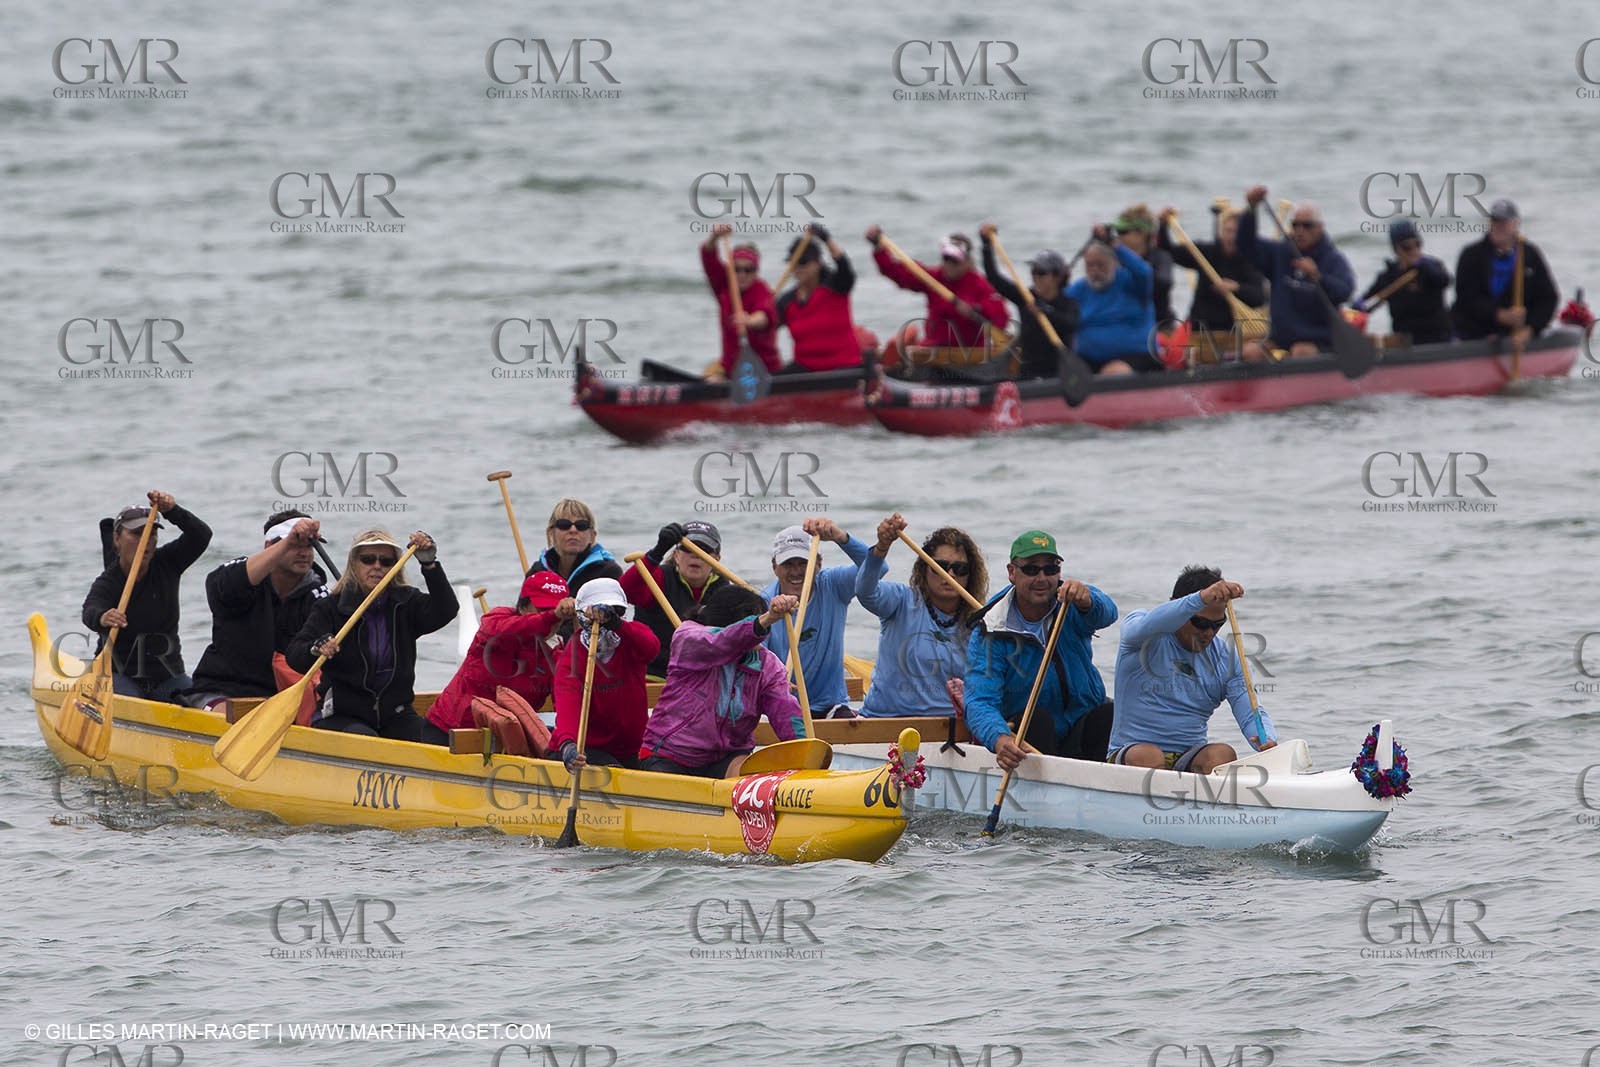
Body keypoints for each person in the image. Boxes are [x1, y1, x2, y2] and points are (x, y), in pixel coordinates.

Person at [964, 530, 1118, 770]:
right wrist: (999, 739)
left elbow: (1108, 613)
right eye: (1031, 569)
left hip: (1080, 721)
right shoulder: (990, 631)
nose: (1042, 578)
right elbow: (979, 701)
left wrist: (1088, 600)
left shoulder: (1071, 604)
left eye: (1051, 569)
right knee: (1037, 721)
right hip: (1031, 736)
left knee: (1109, 713)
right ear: (1011, 572)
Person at [287, 529, 458, 742]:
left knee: (439, 740)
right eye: (368, 560)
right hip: (342, 716)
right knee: (365, 739)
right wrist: (317, 647)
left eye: (386, 561)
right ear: (354, 564)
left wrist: (429, 565)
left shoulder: (405, 603)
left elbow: (447, 610)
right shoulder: (331, 607)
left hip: (396, 715)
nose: (377, 566)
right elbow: (294, 656)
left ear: (394, 568)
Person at [1108, 566, 1277, 773]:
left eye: (1217, 625)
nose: (1208, 633)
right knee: (1148, 756)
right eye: (1200, 623)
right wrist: (1200, 598)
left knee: (1222, 755)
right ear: (1179, 609)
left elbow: (1251, 714)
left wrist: (1267, 741)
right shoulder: (1142, 636)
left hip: (1188, 755)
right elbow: (1144, 626)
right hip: (1132, 753)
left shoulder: (1229, 659)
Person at [637, 585, 804, 777]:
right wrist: (765, 620)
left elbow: (786, 714)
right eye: (757, 620)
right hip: (670, 756)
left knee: (746, 771)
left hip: (728, 757)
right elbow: (723, 640)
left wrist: (804, 754)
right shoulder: (689, 639)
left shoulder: (769, 666)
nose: (764, 631)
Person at [185, 511, 330, 714]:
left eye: (309, 545)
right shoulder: (235, 577)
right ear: (269, 547)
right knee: (236, 717)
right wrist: (288, 541)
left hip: (283, 697)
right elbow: (220, 586)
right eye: (295, 545)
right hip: (221, 690)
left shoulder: (318, 597)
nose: (304, 553)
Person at [81, 491, 213, 701]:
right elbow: (90, 609)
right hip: (118, 674)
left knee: (200, 700)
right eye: (136, 534)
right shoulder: (110, 580)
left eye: (151, 534)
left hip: (168, 677)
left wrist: (173, 511)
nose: (146, 541)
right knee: (132, 700)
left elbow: (201, 536)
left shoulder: (168, 563)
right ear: (117, 539)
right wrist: (103, 617)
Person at [855, 514, 987, 718]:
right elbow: (866, 592)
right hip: (886, 722)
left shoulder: (980, 620)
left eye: (960, 569)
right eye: (940, 567)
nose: (950, 575)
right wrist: (882, 547)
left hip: (950, 730)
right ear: (924, 569)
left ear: (970, 575)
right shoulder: (900, 601)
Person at [762, 518, 882, 719]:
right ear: (775, 566)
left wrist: (841, 538)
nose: (796, 572)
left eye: (803, 563)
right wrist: (774, 681)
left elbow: (878, 569)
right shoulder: (764, 603)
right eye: (787, 564)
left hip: (831, 707)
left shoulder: (834, 585)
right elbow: (755, 657)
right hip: (781, 706)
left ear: (818, 564)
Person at [427, 570, 569, 735]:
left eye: (557, 611)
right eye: (543, 609)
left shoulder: (557, 656)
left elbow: (566, 706)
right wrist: (552, 616)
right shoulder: (496, 621)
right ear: (522, 607)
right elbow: (511, 630)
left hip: (505, 740)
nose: (552, 618)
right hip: (449, 731)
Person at [550, 578, 660, 772]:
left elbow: (651, 648)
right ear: (582, 616)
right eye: (595, 615)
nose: (602, 622)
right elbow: (568, 705)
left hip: (635, 746)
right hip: (590, 749)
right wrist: (568, 745)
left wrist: (617, 625)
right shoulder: (573, 658)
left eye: (613, 612)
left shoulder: (630, 639)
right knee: (615, 771)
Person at [1237, 188, 1358, 359]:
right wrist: (1251, 209)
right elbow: (1246, 245)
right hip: (1281, 338)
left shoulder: (1332, 259)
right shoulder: (1281, 253)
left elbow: (1346, 291)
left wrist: (1318, 277)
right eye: (1295, 225)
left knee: (1300, 351)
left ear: (1320, 227)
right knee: (1250, 352)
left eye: (1307, 225)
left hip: (1320, 339)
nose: (1300, 231)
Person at [867, 227, 1008, 357]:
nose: (949, 265)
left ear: (967, 261)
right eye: (946, 258)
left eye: (955, 260)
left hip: (968, 354)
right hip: (934, 349)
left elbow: (1002, 318)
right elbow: (898, 273)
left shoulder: (980, 284)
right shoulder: (934, 278)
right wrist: (879, 248)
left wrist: (976, 309)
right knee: (898, 343)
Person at [619, 520, 724, 677]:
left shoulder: (725, 589)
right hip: (652, 674)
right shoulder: (658, 577)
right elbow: (623, 593)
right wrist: (657, 552)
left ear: (716, 559)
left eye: (704, 549)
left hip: (700, 678)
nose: (695, 555)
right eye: (688, 549)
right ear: (676, 555)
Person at [978, 222, 1080, 379]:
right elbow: (994, 277)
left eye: (1041, 273)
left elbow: (1071, 324)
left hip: (1057, 374)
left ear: (1058, 277)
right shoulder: (1026, 298)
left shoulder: (1068, 303)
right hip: (1028, 373)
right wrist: (986, 245)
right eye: (1033, 272)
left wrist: (1045, 310)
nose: (1035, 277)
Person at [1451, 198, 1558, 343]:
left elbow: (1548, 298)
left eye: (1504, 222)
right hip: (1473, 334)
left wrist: (1531, 329)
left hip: (1515, 336)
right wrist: (1498, 315)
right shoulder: (1471, 255)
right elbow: (1466, 298)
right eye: (1495, 221)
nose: (1498, 226)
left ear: (1516, 224)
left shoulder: (1530, 255)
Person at [1156, 205, 1266, 332]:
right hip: (1199, 326)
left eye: (1236, 232)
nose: (1231, 237)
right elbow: (1166, 251)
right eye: (1228, 231)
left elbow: (1259, 297)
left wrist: (1235, 288)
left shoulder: (1251, 260)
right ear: (1222, 232)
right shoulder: (1206, 252)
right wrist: (1163, 226)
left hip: (1233, 330)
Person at [775, 224, 865, 373]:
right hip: (805, 369)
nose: (798, 267)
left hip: (844, 366)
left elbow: (844, 267)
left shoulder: (837, 285)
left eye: (803, 262)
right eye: (793, 263)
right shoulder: (787, 301)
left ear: (818, 263)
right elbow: (767, 325)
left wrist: (826, 239)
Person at [1065, 236, 1159, 374]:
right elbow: (1057, 305)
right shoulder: (1079, 289)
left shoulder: (1133, 284)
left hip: (1136, 355)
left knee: (1114, 372)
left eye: (1100, 265)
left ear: (1114, 262)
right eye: (1090, 265)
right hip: (1089, 358)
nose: (1095, 271)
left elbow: (1144, 271)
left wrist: (1116, 246)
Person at [1354, 220, 1453, 345]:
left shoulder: (1432, 267)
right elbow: (1368, 301)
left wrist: (1426, 268)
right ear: (1396, 250)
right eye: (1407, 247)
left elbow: (1445, 281)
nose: (1414, 251)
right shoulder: (1388, 277)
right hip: (1405, 340)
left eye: (1417, 244)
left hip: (1437, 337)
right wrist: (1357, 309)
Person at [702, 222, 780, 378]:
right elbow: (708, 258)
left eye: (748, 270)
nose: (742, 275)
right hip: (731, 368)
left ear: (756, 271)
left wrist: (749, 320)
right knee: (712, 380)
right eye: (736, 269)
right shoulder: (725, 287)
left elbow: (765, 316)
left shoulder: (762, 290)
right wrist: (714, 236)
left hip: (764, 369)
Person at [528, 498, 622, 609]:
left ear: (593, 535)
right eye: (564, 524)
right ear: (551, 533)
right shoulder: (537, 571)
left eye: (581, 525)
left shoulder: (608, 572)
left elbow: (615, 617)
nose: (573, 530)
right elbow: (522, 615)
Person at [1112, 204, 1176, 329]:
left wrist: (1138, 270)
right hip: (1124, 323)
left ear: (1140, 233)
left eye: (1122, 231)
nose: (1117, 236)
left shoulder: (1160, 256)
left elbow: (1164, 283)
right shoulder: (1114, 258)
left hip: (1159, 325)